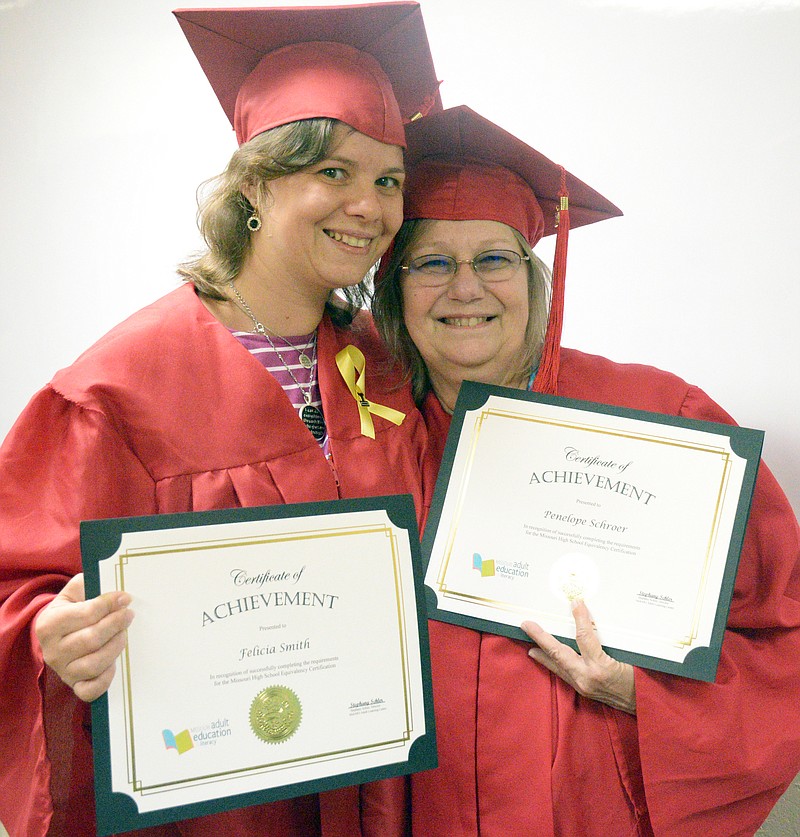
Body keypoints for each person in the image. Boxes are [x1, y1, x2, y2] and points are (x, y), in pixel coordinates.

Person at [0, 4, 442, 836]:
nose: (370, 205)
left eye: (388, 180)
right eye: (336, 172)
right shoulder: (115, 391)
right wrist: (46, 636)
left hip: (379, 784)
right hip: (218, 804)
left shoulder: (382, 362)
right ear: (255, 183)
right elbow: (15, 589)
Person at [372, 104, 800, 836]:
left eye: (494, 259)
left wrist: (643, 694)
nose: (465, 287)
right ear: (393, 287)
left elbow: (783, 639)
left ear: (536, 279)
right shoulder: (364, 445)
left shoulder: (667, 418)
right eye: (433, 262)